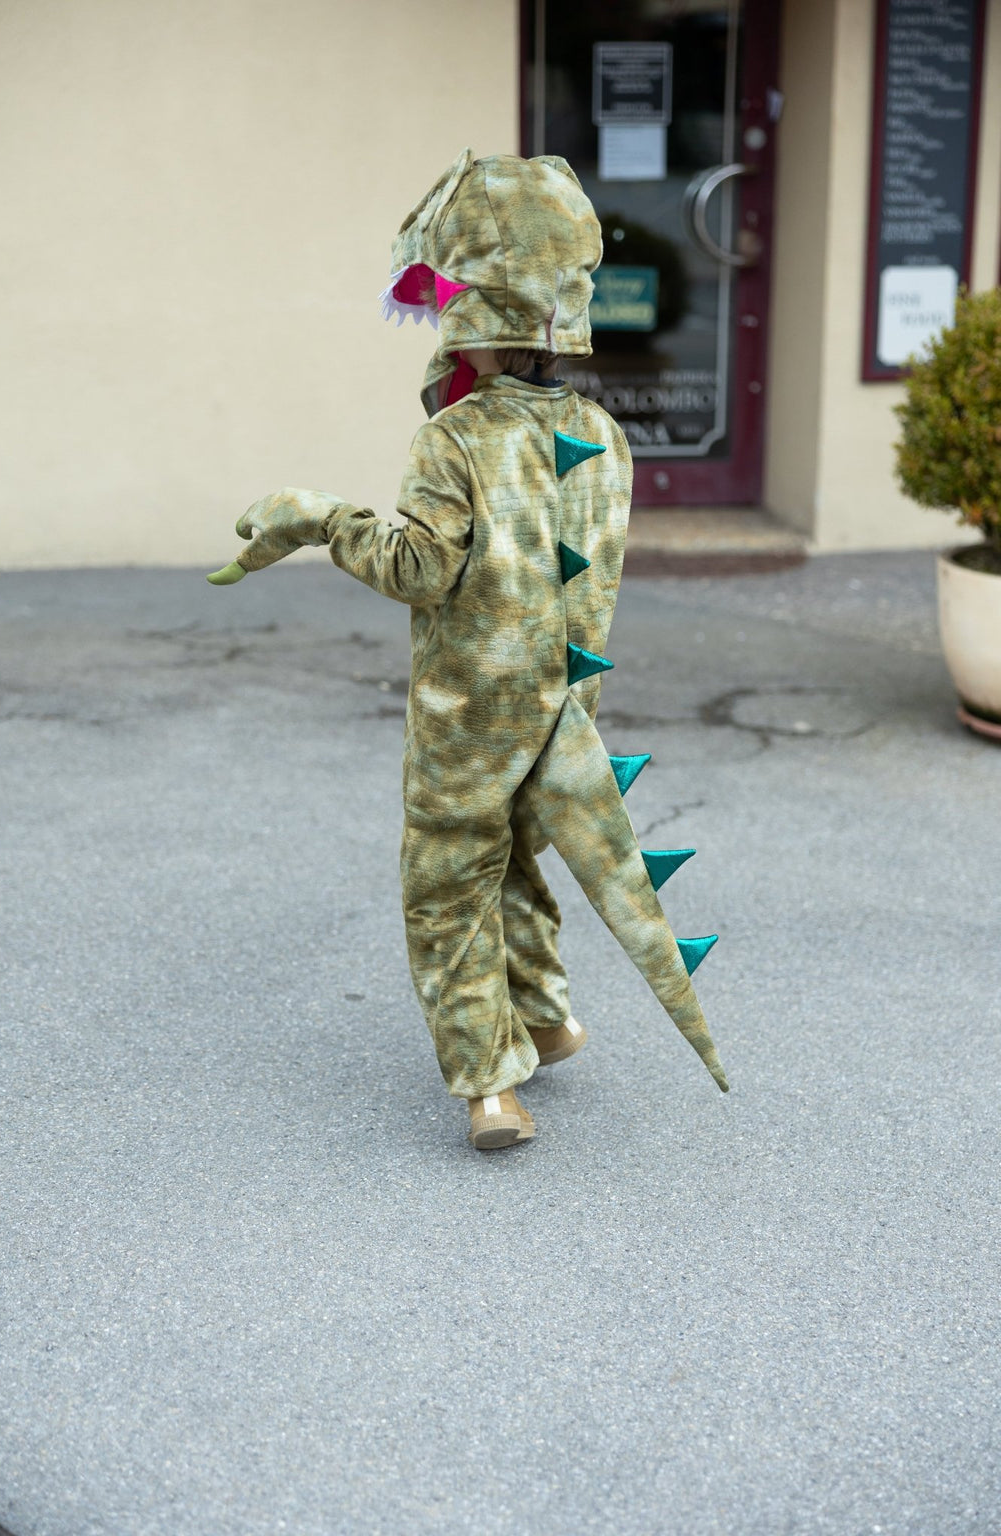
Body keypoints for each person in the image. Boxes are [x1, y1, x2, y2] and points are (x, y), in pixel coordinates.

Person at [208, 149, 728, 1150]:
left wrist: (317, 517)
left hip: (467, 719)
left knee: (449, 883)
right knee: (521, 866)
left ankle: (490, 1083)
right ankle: (550, 1014)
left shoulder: (453, 440)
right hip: (565, 709)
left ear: (472, 303)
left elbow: (420, 570)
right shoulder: (604, 434)